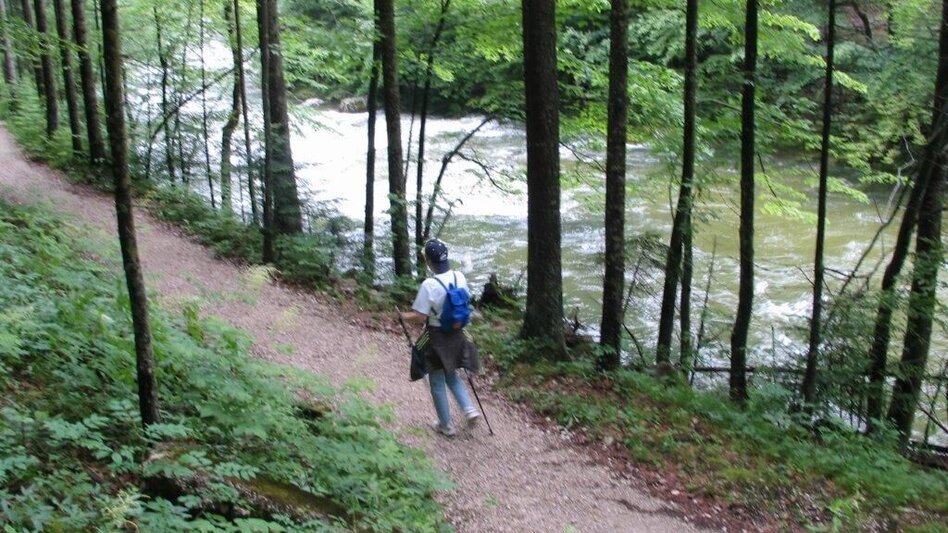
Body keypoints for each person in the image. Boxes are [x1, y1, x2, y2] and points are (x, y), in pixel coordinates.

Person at [399, 239, 480, 437]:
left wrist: (402, 316)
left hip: (437, 337)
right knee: (451, 374)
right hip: (458, 334)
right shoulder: (459, 276)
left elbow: (420, 316)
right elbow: (467, 301)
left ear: (428, 261)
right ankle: (469, 409)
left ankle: (446, 425)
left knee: (436, 380)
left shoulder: (429, 284)